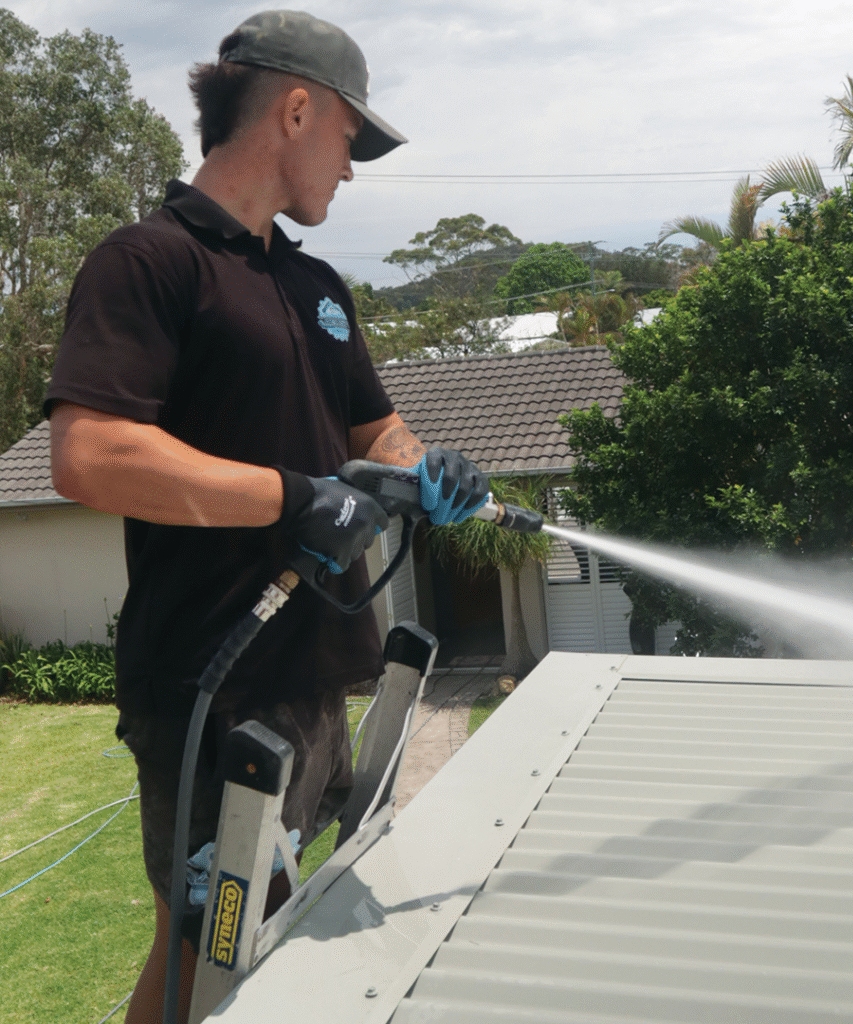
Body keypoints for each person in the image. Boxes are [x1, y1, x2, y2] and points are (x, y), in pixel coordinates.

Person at [44, 11, 487, 1022]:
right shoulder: (149, 263)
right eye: (350, 139)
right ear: (296, 109)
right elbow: (89, 453)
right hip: (214, 688)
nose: (353, 166)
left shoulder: (313, 284)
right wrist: (296, 497)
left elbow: (379, 433)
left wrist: (426, 469)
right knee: (211, 965)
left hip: (319, 676)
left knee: (248, 951)